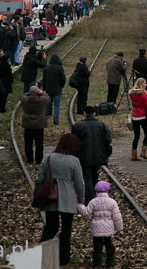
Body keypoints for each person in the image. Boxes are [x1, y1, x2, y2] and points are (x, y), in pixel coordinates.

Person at [37, 133, 85, 266]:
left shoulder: (48, 158)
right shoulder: (74, 161)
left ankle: (41, 253)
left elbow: (39, 179)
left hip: (50, 197)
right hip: (68, 199)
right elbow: (79, 183)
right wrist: (81, 200)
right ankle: (63, 259)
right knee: (66, 229)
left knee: (51, 227)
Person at [77, 181, 123, 268]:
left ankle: (97, 263)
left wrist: (79, 205)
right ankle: (110, 262)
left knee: (97, 247)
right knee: (109, 244)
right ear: (108, 190)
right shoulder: (112, 202)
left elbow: (86, 212)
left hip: (96, 228)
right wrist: (119, 228)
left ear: (96, 190)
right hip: (108, 228)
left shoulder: (93, 201)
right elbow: (117, 216)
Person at [72, 106, 113, 205]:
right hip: (99, 157)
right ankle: (95, 196)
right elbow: (108, 140)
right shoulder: (102, 125)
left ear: (84, 113)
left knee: (86, 178)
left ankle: (89, 200)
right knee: (94, 175)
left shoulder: (78, 125)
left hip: (83, 157)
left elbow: (73, 142)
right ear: (95, 113)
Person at [20, 86, 51, 164]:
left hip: (28, 124)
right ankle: (38, 160)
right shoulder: (42, 100)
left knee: (28, 143)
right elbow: (47, 97)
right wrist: (41, 92)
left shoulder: (25, 100)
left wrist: (30, 92)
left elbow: (23, 95)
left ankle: (30, 159)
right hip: (39, 124)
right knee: (39, 143)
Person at [129, 77, 147, 161]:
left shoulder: (132, 93)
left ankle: (133, 154)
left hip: (135, 115)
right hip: (142, 115)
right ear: (141, 84)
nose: (146, 84)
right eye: (145, 83)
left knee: (136, 135)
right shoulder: (143, 94)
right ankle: (143, 151)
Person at [42, 54, 66, 126]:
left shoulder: (46, 68)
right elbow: (63, 79)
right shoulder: (59, 68)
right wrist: (61, 86)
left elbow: (44, 80)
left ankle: (46, 118)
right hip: (57, 90)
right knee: (56, 107)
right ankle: (56, 122)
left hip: (48, 90)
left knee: (48, 105)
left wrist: (44, 89)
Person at [0, 49, 13, 113]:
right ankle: (2, 107)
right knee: (3, 95)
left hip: (1, 80)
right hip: (4, 81)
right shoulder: (0, 64)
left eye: (3, 54)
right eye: (1, 54)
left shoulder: (2, 64)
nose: (2, 55)